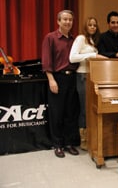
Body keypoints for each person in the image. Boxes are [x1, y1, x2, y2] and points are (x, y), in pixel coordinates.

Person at [42, 10, 80, 158]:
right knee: (56, 114)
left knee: (71, 113)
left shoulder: (75, 40)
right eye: (65, 19)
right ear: (58, 21)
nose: (68, 22)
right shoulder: (50, 38)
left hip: (72, 79)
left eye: (70, 19)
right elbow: (46, 60)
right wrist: (51, 79)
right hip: (57, 79)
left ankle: (69, 143)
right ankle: (58, 145)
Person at [69, 17, 107, 151]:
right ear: (85, 26)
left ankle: (91, 137)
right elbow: (72, 57)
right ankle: (83, 139)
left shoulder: (92, 41)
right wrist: (92, 55)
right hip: (82, 76)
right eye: (90, 25)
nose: (92, 27)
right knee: (84, 108)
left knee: (91, 108)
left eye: (94, 25)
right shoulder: (80, 38)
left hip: (92, 76)